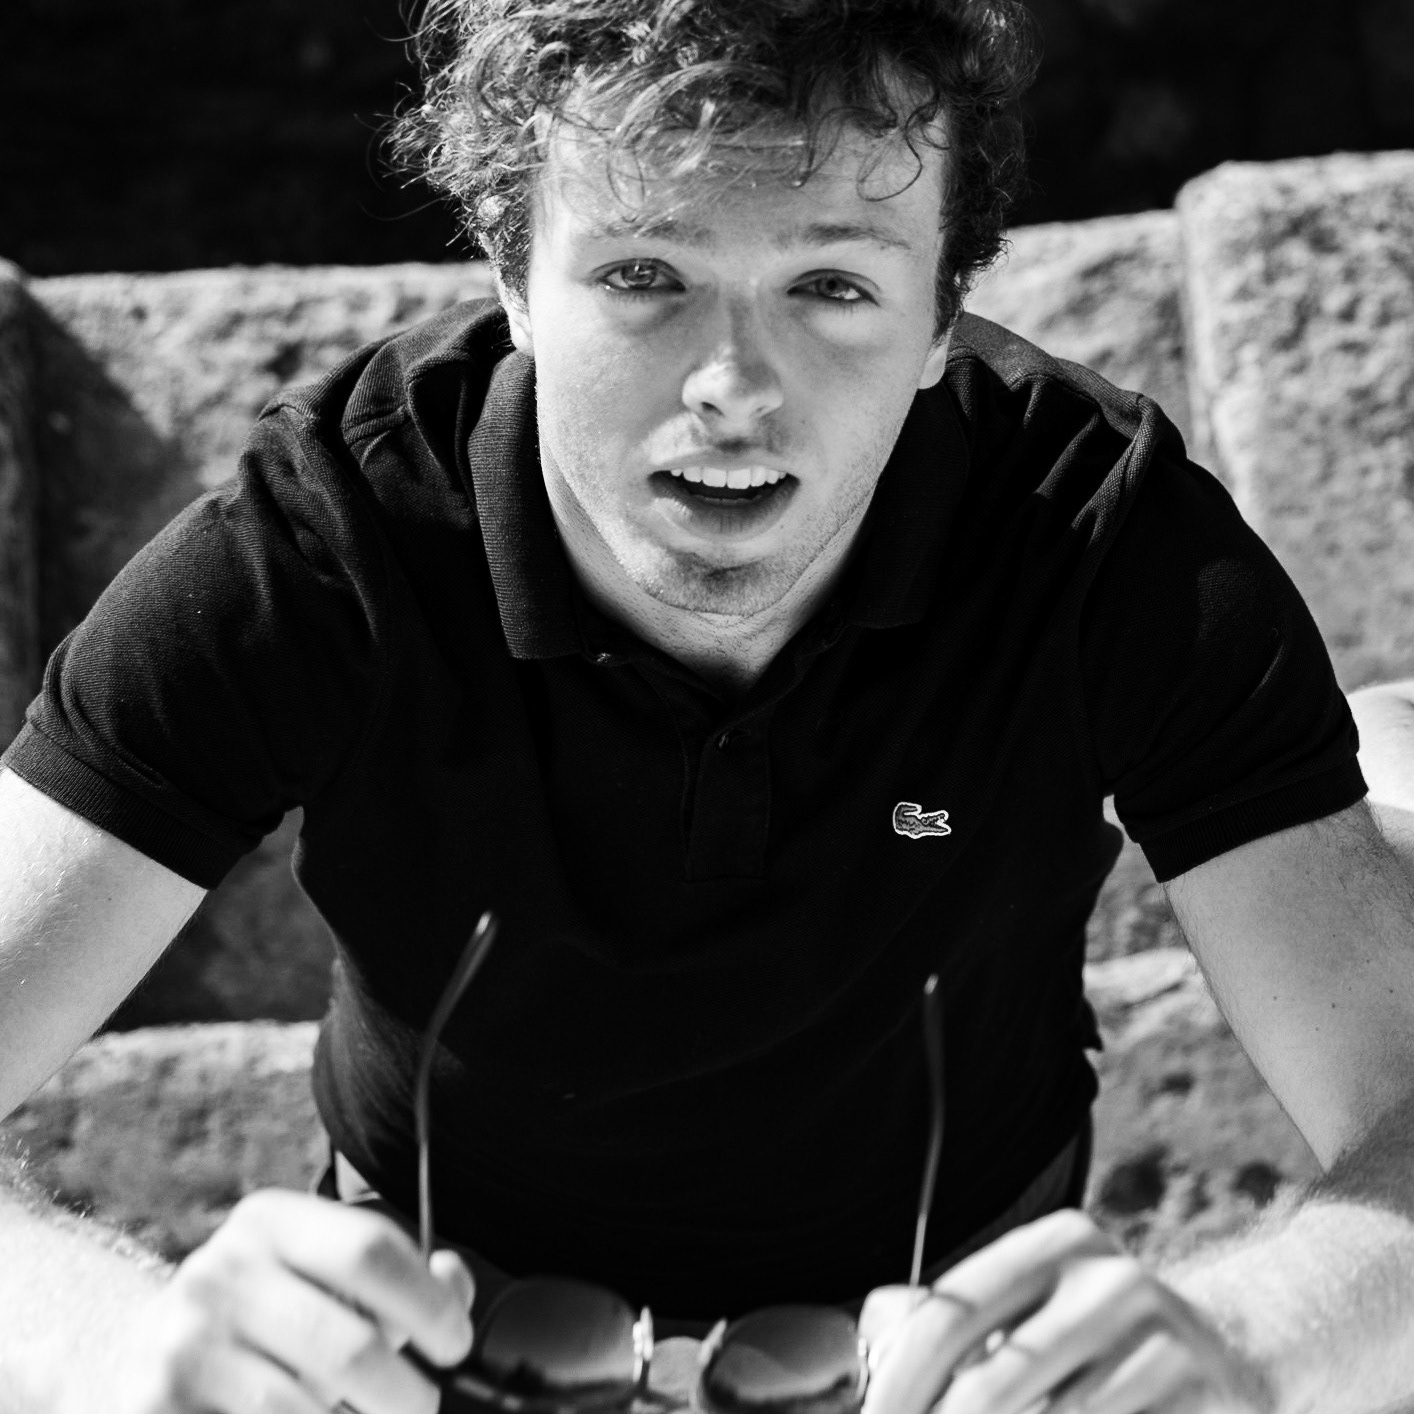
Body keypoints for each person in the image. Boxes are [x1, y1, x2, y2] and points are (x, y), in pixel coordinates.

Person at [3, 0, 1414, 1408]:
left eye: (833, 287)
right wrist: (119, 1345)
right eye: (643, 274)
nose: (734, 387)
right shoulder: (324, 545)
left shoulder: (1105, 539)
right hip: (418, 1330)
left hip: (968, 1345)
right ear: (513, 282)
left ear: (942, 316)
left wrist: (1248, 1341)